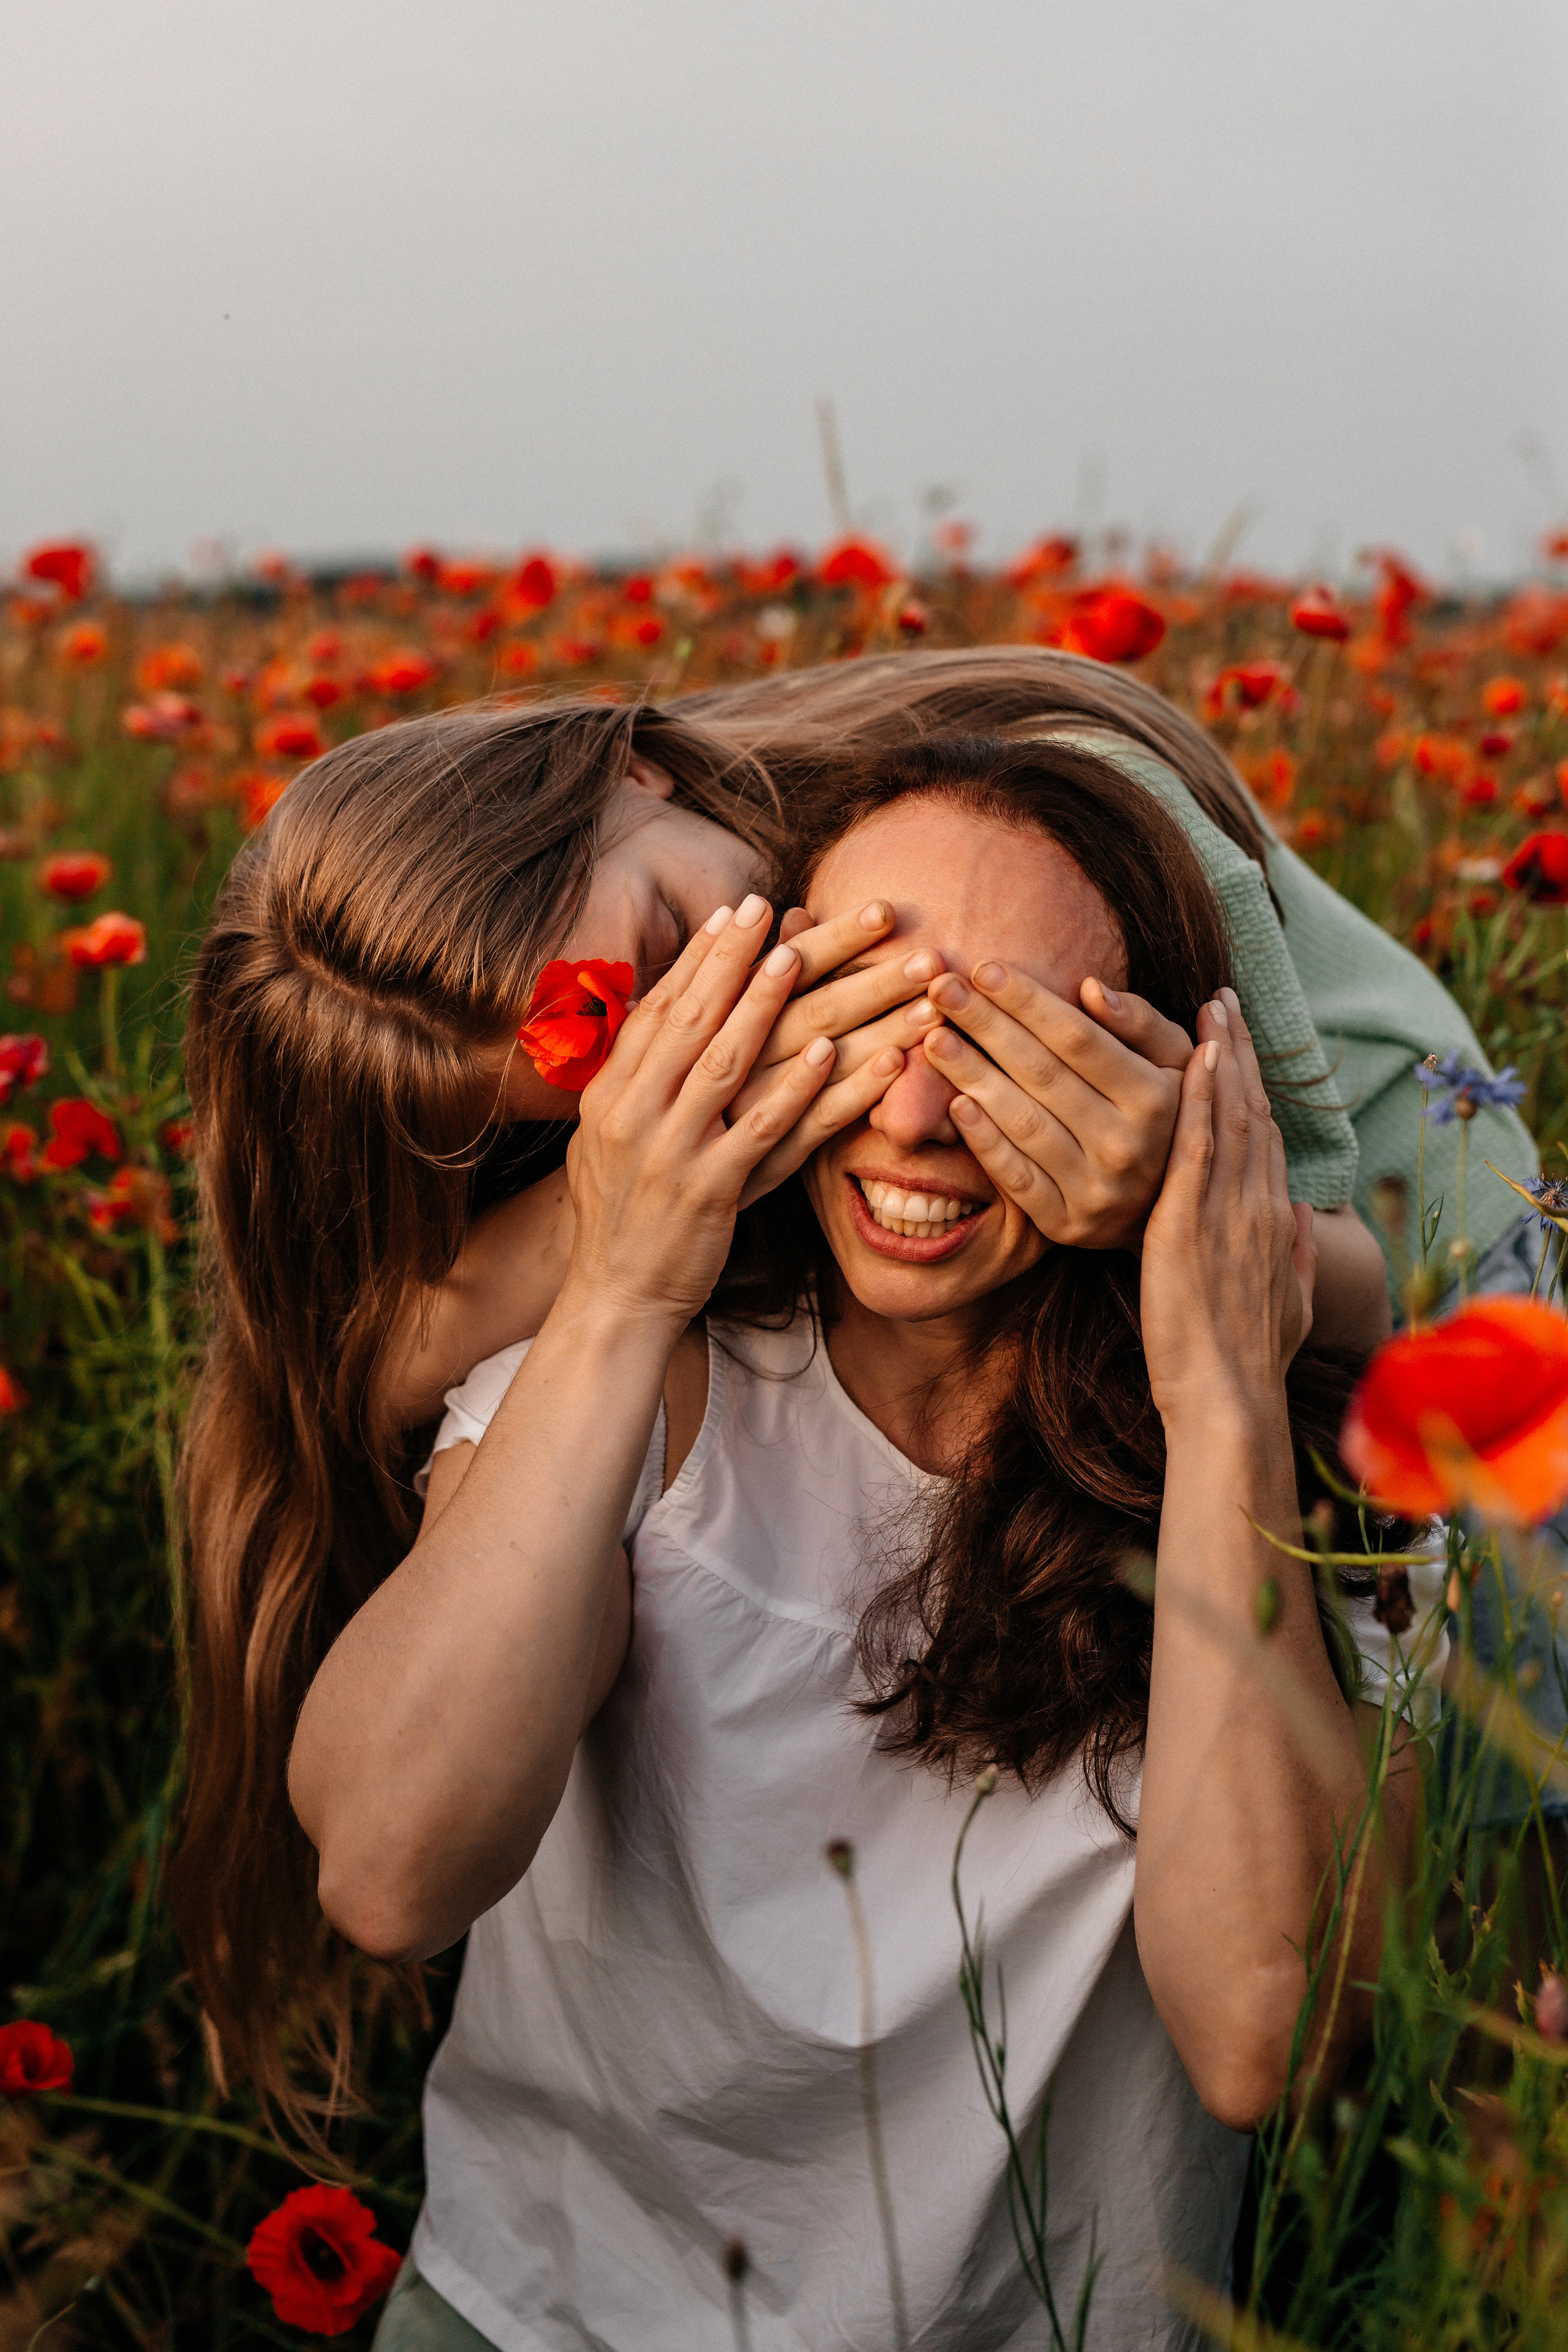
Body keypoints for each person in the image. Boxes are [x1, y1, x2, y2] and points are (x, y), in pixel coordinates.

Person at [291, 737, 1422, 2351]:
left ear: (1160, 1086)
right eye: (869, 1014)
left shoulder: (1292, 1472)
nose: (916, 1115)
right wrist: (623, 1279)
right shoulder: (644, 1384)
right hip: (545, 2314)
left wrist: (1223, 1388)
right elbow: (390, 1871)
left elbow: (1273, 2044)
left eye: (1013, 1049)